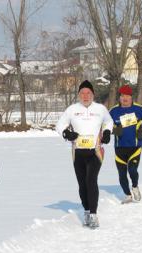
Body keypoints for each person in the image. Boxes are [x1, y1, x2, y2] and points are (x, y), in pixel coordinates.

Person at [55, 80, 113, 229]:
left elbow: (108, 121)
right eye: (82, 93)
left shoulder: (100, 109)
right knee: (82, 183)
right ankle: (86, 210)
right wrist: (67, 133)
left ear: (93, 94)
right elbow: (59, 125)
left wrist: (106, 132)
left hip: (95, 151)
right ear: (79, 95)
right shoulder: (72, 109)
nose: (85, 96)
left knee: (91, 180)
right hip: (78, 152)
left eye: (88, 93)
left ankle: (93, 214)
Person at [109, 85, 142, 204]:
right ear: (119, 97)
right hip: (119, 147)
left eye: (127, 96)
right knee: (122, 174)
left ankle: (134, 186)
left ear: (131, 97)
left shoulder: (139, 109)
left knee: (132, 170)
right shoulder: (113, 111)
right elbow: (105, 125)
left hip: (135, 146)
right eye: (122, 96)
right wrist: (114, 130)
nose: (125, 98)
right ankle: (128, 195)